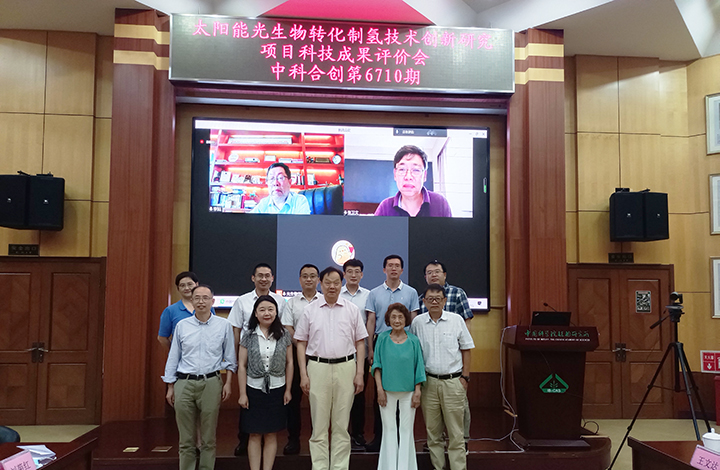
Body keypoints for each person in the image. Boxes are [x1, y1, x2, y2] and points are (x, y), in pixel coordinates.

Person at [294, 267, 368, 470]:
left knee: (341, 425)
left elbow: (360, 342)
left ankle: (339, 467)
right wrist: (303, 374)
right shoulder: (310, 310)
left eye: (336, 282)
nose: (332, 286)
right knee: (319, 425)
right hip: (317, 368)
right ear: (321, 283)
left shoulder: (352, 309)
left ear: (341, 283)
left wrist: (360, 373)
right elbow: (301, 343)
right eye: (328, 282)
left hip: (346, 367)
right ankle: (319, 466)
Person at [163, 285, 236, 470]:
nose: (201, 302)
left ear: (213, 301)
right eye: (197, 298)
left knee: (208, 437)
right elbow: (174, 357)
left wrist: (228, 383)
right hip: (184, 383)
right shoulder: (182, 326)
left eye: (205, 298)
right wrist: (170, 386)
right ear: (192, 301)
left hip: (211, 382)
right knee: (186, 438)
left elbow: (230, 357)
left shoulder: (224, 325)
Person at [228, 263, 291, 456]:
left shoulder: (281, 301)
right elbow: (236, 329)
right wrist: (236, 355)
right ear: (253, 278)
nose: (264, 279)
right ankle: (243, 442)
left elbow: (284, 329)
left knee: (272, 428)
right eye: (260, 275)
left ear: (272, 278)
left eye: (267, 275)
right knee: (249, 418)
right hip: (250, 360)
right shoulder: (242, 301)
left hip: (275, 368)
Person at [411, 284, 474, 470]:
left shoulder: (456, 320)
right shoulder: (417, 323)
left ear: (445, 301)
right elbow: (414, 353)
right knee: (433, 433)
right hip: (428, 383)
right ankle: (438, 467)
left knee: (456, 433)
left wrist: (465, 377)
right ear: (424, 302)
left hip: (453, 382)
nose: (434, 302)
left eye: (438, 299)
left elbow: (466, 349)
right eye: (430, 299)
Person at [365, 255, 420, 452]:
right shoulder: (374, 293)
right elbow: (371, 321)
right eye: (390, 265)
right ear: (384, 269)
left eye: (397, 266)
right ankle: (380, 438)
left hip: (405, 344)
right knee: (381, 394)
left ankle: (400, 439)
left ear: (402, 270)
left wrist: (412, 348)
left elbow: (414, 321)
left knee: (403, 393)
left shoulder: (411, 292)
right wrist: (370, 348)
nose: (394, 268)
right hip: (382, 343)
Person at [418, 260, 473, 449]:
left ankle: (463, 442)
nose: (433, 275)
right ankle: (437, 445)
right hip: (430, 368)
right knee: (433, 413)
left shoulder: (457, 293)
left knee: (459, 409)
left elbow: (467, 323)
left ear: (444, 274)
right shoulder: (421, 298)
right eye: (429, 272)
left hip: (453, 366)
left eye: (437, 271)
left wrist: (465, 374)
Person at [238, 295, 293, 470]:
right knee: (254, 434)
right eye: (262, 310)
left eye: (270, 309)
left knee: (271, 433)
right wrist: (242, 394)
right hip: (253, 390)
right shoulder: (248, 335)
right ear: (255, 313)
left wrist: (288, 390)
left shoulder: (284, 334)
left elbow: (290, 363)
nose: (266, 313)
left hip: (277, 389)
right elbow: (242, 365)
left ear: (276, 312)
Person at [372, 303, 425, 470]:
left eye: (400, 317)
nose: (397, 320)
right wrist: (379, 390)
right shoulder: (381, 338)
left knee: (406, 431)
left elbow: (419, 367)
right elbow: (377, 366)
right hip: (386, 392)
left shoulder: (414, 340)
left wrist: (417, 391)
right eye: (393, 317)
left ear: (406, 319)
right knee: (389, 430)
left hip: (409, 393)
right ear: (388, 319)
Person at [283, 264, 323, 455]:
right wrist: (302, 343)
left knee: (321, 400)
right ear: (299, 280)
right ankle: (293, 439)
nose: (309, 279)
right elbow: (287, 326)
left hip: (321, 356)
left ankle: (320, 438)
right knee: (294, 400)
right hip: (295, 356)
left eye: (312, 276)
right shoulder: (291, 303)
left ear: (318, 280)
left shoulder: (325, 300)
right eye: (305, 276)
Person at [339, 259, 371, 450]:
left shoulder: (368, 296)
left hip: (361, 353)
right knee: (341, 396)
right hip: (339, 353)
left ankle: (358, 434)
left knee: (359, 395)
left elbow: (370, 323)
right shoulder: (336, 294)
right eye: (349, 271)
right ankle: (341, 434)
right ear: (344, 274)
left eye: (357, 271)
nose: (353, 274)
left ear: (362, 274)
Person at [374, 145, 452, 217]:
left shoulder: (440, 204)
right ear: (395, 174)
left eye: (416, 170)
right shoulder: (385, 208)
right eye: (402, 169)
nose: (408, 177)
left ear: (424, 176)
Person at [158, 271, 200, 349]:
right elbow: (162, 338)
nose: (186, 288)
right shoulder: (170, 310)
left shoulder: (207, 307)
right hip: (182, 356)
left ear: (196, 285)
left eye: (190, 284)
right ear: (178, 288)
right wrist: (175, 352)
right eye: (182, 285)